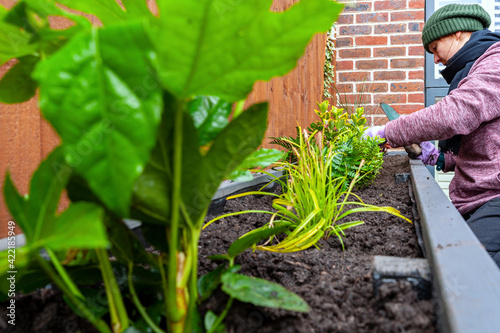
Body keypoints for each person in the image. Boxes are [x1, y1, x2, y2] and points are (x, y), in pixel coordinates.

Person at [365, 3, 500, 267]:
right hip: (476, 200)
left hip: (494, 198)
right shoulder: (471, 70)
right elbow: (482, 148)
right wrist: (436, 157)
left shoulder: (495, 63)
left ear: (457, 33)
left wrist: (386, 131)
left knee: (468, 270)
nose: (435, 60)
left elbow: (456, 113)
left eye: (435, 49)